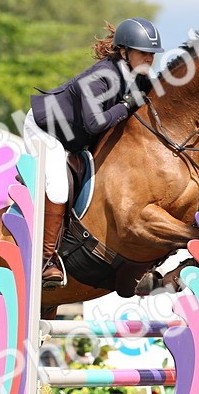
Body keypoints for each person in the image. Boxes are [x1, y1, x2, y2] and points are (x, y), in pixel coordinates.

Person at [25, 17, 162, 288]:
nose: (149, 59)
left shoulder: (138, 78)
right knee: (58, 188)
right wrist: (126, 105)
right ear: (124, 52)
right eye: (143, 53)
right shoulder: (100, 78)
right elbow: (95, 123)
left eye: (151, 54)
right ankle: (46, 260)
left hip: (77, 136)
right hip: (46, 131)